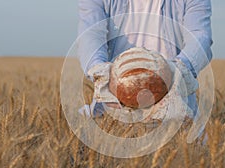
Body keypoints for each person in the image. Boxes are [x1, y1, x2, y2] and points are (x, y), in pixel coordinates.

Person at [77, 0, 213, 120]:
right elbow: (90, 35)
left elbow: (200, 38)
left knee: (192, 145)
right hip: (113, 105)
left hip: (173, 105)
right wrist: (102, 74)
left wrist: (177, 71)